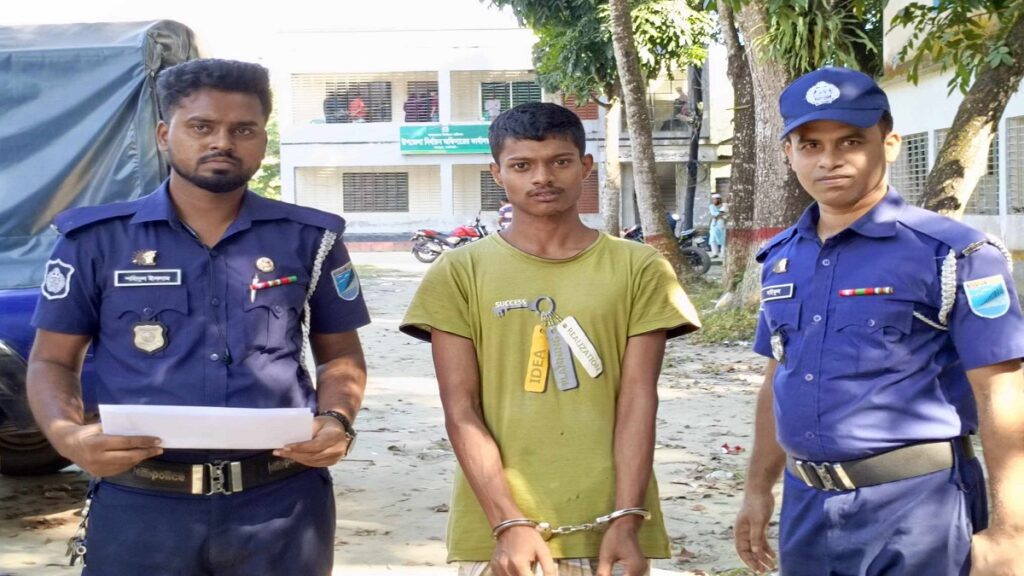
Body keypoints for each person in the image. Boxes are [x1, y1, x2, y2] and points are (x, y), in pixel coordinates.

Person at [27, 59, 370, 575]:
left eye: (243, 129)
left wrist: (337, 418)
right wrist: (66, 436)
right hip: (141, 506)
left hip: (281, 505)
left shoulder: (309, 238)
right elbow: (52, 361)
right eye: (202, 127)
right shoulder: (95, 241)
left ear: (262, 139)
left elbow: (340, 356)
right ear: (165, 135)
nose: (222, 142)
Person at [733, 66, 1024, 575]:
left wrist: (1011, 533)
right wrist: (758, 489)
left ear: (889, 144)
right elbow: (778, 375)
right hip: (807, 508)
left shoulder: (954, 254)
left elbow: (1002, 393)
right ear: (788, 153)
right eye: (810, 145)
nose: (829, 160)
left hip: (917, 510)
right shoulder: (782, 258)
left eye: (850, 141)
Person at [401, 102, 701, 575]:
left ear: (585, 166)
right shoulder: (458, 272)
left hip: (610, 528)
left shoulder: (639, 267)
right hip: (499, 533)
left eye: (560, 161)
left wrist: (627, 517)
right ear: (497, 173)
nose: (542, 177)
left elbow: (638, 400)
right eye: (522, 165)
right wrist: (507, 522)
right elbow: (461, 409)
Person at [707, 193, 727, 259]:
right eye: (713, 199)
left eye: (714, 199)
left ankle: (723, 254)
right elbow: (713, 214)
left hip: (722, 224)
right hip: (714, 224)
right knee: (712, 239)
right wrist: (720, 213)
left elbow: (726, 214)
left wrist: (719, 214)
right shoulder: (711, 206)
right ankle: (715, 253)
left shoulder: (724, 205)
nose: (713, 201)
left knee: (723, 240)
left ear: (719, 199)